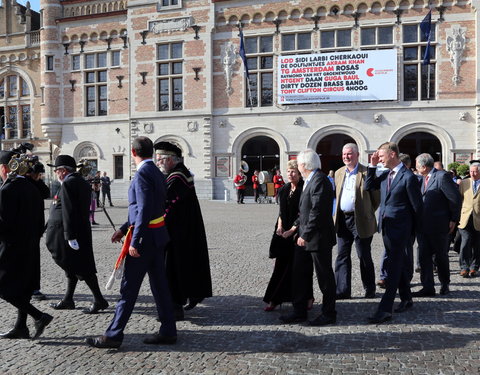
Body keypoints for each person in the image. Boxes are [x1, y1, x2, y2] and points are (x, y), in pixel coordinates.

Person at [87, 137, 177, 349]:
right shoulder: (155, 171)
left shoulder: (143, 173)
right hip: (157, 236)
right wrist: (124, 227)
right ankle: (168, 330)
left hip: (144, 240)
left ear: (133, 152)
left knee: (128, 289)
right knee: (160, 287)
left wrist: (135, 240)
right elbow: (147, 208)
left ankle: (114, 334)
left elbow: (144, 208)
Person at [364, 142, 423, 324]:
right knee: (395, 262)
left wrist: (413, 234)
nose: (379, 158)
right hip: (387, 227)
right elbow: (368, 186)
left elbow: (417, 207)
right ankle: (407, 298)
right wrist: (373, 165)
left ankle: (385, 309)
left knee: (393, 267)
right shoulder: (385, 174)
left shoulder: (408, 177)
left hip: (401, 230)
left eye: (381, 155)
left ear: (392, 154)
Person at [155, 141, 212, 320]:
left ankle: (175, 308)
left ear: (169, 160)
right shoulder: (179, 173)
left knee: (172, 269)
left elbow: (167, 204)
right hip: (184, 230)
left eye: (159, 159)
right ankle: (193, 294)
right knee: (185, 266)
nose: (158, 163)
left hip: (176, 233)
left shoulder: (177, 177)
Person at [279, 149, 337, 326]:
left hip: (317, 238)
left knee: (324, 277)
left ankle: (329, 313)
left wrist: (305, 234)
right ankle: (299, 311)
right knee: (300, 275)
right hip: (304, 237)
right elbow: (304, 211)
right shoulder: (309, 181)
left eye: (298, 164)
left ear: (304, 165)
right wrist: (293, 229)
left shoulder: (320, 181)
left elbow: (317, 212)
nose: (297, 166)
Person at [0, 150, 53, 340]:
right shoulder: (33, 188)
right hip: (30, 247)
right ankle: (20, 327)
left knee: (4, 288)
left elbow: (3, 225)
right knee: (22, 288)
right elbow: (41, 222)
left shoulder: (7, 190)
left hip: (10, 248)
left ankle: (39, 316)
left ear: (4, 168)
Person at [46, 155, 108, 314]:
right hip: (79, 229)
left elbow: (68, 210)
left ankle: (99, 299)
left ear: (64, 171)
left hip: (70, 232)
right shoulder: (80, 181)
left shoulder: (69, 183)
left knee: (81, 266)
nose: (56, 174)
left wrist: (69, 235)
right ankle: (68, 299)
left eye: (58, 170)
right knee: (73, 265)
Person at [263, 160, 313, 311]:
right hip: (282, 232)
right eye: (288, 171)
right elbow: (281, 212)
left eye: (294, 172)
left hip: (299, 232)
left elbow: (304, 213)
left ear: (299, 173)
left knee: (300, 268)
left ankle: (308, 297)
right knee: (280, 266)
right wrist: (280, 226)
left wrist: (292, 229)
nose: (290, 174)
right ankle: (274, 299)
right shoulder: (284, 189)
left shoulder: (304, 188)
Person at [333, 143, 380, 300]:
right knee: (342, 256)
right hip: (342, 219)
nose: (346, 157)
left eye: (349, 154)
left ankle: (369, 288)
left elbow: (376, 199)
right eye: (344, 154)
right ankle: (342, 290)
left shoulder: (366, 172)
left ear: (357, 155)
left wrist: (366, 212)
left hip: (361, 220)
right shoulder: (339, 173)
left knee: (364, 255)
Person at [414, 153, 461, 297]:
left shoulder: (441, 176)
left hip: (439, 225)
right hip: (422, 225)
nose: (415, 168)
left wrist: (454, 219)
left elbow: (455, 198)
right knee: (424, 256)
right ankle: (428, 287)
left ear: (423, 166)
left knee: (440, 256)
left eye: (417, 165)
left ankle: (444, 283)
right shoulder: (420, 179)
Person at [26, 162, 50, 301]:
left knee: (34, 260)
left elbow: (46, 192)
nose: (39, 176)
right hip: (27, 229)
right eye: (38, 174)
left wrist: (38, 180)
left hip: (35, 229)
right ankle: (31, 288)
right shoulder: (26, 184)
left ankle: (34, 287)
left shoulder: (36, 183)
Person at [457, 160, 480, 277]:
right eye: (471, 171)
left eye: (475, 172)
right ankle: (464, 267)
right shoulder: (464, 183)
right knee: (465, 242)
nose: (473, 174)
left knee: (477, 245)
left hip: (478, 219)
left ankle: (474, 267)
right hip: (465, 218)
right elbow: (459, 199)